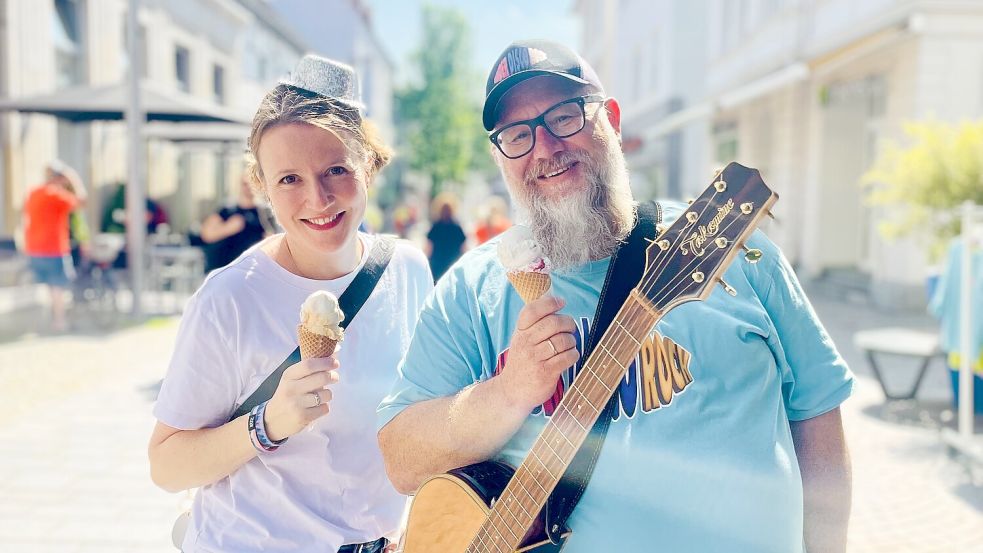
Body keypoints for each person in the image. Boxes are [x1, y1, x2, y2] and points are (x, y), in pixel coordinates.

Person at [377, 40, 853, 553]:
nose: (544, 148)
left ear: (613, 120)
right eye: (517, 134)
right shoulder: (469, 293)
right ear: (500, 157)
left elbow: (817, 417)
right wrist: (509, 393)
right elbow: (402, 459)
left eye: (564, 116)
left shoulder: (731, 249)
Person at [148, 55, 433, 553]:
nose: (318, 199)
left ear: (368, 164)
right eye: (289, 179)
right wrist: (269, 423)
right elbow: (166, 465)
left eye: (336, 169)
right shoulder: (230, 299)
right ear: (261, 187)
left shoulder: (407, 270)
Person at [22, 161, 87, 331]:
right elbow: (81, 202)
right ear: (61, 179)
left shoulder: (33, 193)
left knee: (45, 285)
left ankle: (42, 321)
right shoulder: (57, 195)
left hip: (33, 248)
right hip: (54, 248)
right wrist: (74, 178)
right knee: (58, 286)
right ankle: (59, 322)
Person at [200, 176, 273, 273]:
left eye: (253, 184)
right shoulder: (227, 210)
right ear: (240, 185)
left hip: (251, 272)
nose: (249, 187)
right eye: (245, 184)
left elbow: (274, 239)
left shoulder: (264, 213)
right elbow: (206, 234)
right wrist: (228, 228)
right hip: (223, 269)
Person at [425, 192, 467, 281]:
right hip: (437, 264)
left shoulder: (457, 228)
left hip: (452, 264)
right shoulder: (435, 227)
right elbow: (429, 247)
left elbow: (463, 248)